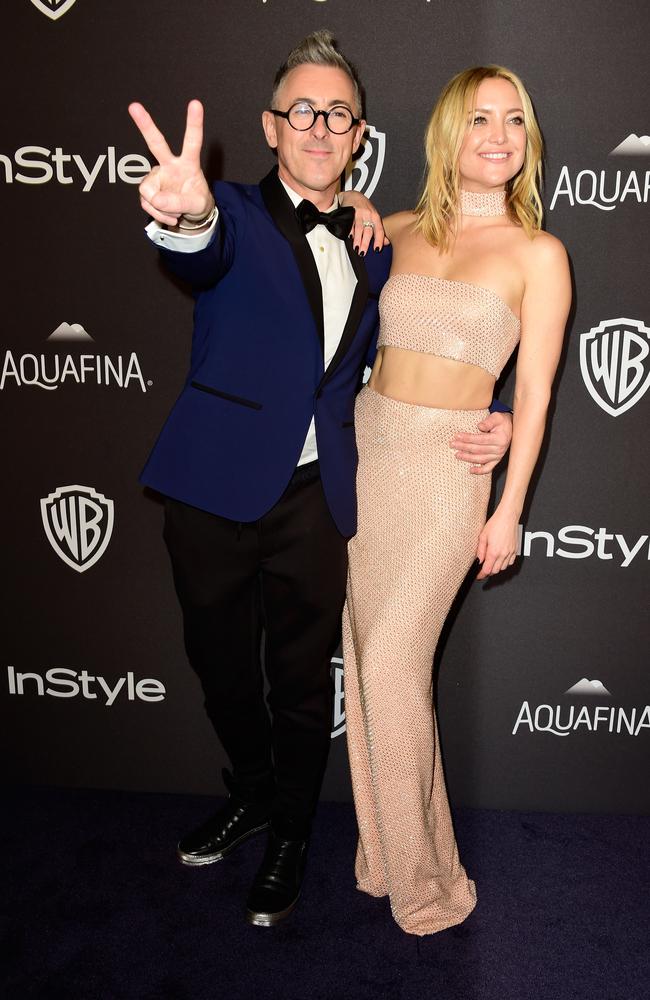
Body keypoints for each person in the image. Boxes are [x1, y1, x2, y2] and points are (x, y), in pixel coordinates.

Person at [128, 33, 512, 928]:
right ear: (270, 126)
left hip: (323, 497)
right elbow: (199, 246)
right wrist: (180, 217)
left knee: (304, 683)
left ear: (359, 134)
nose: (319, 126)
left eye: (338, 113)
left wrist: (493, 417)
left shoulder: (378, 241)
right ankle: (254, 792)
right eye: (302, 109)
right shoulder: (229, 210)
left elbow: (436, 335)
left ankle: (293, 834)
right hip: (212, 489)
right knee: (223, 671)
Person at [342, 65, 571, 936]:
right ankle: (388, 853)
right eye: (481, 119)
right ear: (449, 132)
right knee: (364, 662)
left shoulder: (537, 253)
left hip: (448, 471)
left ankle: (429, 885)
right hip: (369, 453)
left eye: (515, 120)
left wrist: (508, 503)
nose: (500, 136)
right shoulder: (393, 228)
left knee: (393, 664)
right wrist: (356, 209)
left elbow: (539, 392)